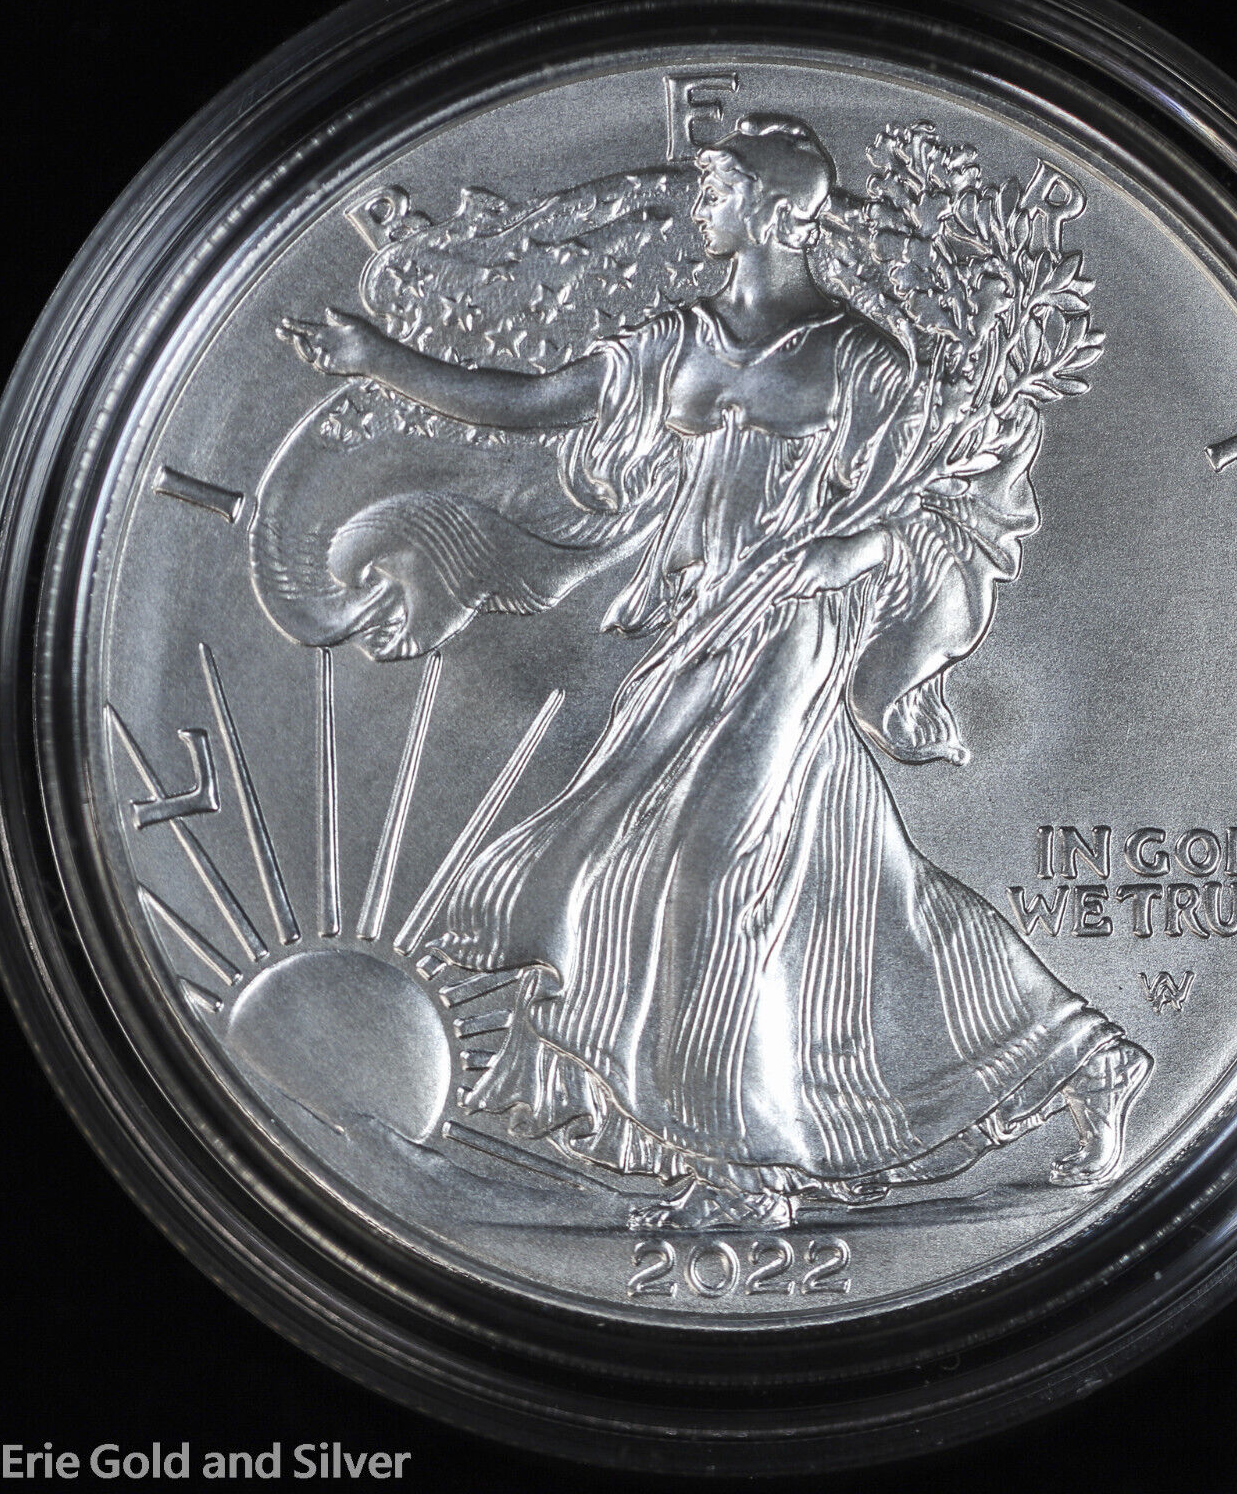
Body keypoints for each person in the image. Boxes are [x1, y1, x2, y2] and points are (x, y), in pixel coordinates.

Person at [279, 115, 1150, 1228]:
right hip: (698, 629)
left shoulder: (861, 360)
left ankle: (744, 1166)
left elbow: (924, 515)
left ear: (780, 213)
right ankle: (1077, 1061)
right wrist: (379, 360)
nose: (701, 200)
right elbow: (531, 402)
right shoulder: (675, 340)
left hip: (794, 632)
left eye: (722, 185)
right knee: (834, 882)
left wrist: (842, 551)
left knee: (712, 868)